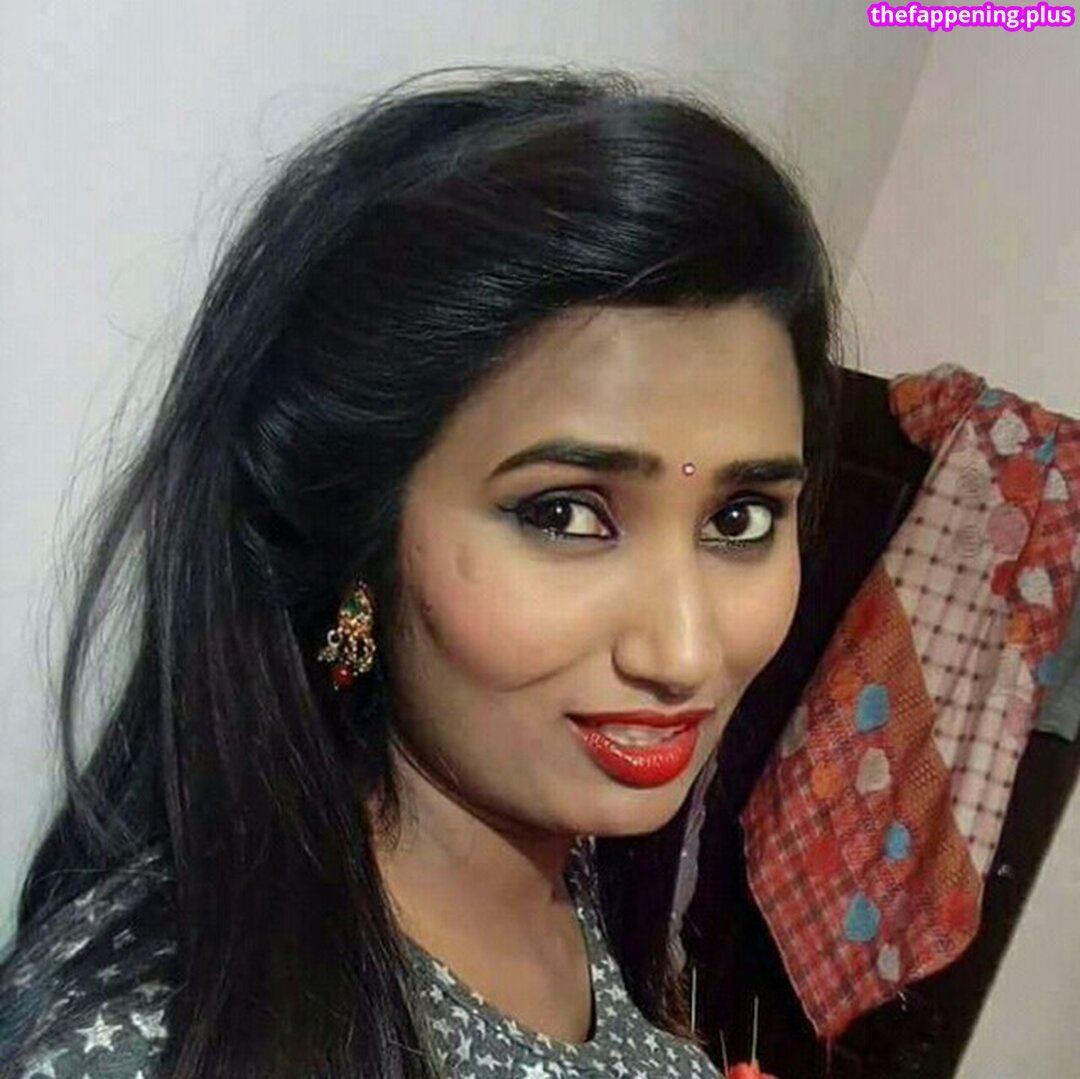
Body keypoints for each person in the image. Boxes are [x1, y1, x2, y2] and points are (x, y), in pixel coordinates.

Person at [0, 68, 840, 1078]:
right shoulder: (162, 1040)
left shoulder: (565, 872)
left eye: (740, 519)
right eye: (565, 514)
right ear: (359, 531)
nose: (686, 651)